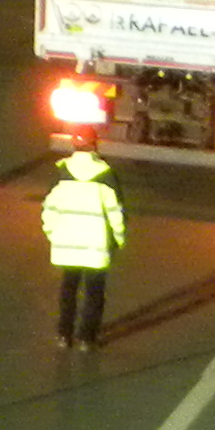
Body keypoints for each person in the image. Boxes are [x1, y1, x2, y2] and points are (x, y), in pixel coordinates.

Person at [41, 144, 128, 350]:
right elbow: (116, 213)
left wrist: (53, 233)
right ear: (95, 148)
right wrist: (119, 238)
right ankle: (86, 339)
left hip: (67, 245)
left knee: (68, 290)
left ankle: (64, 334)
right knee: (94, 293)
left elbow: (49, 209)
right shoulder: (106, 176)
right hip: (95, 247)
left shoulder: (62, 175)